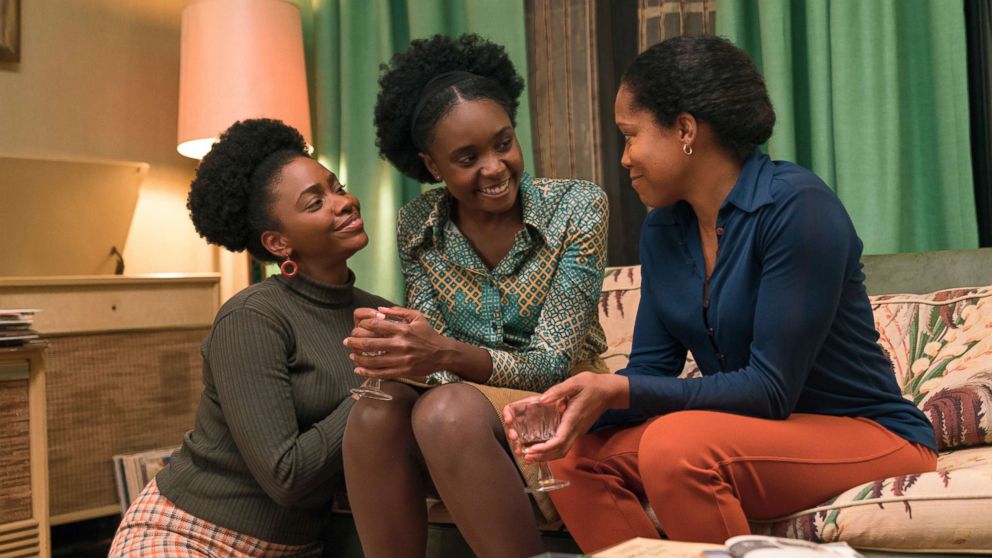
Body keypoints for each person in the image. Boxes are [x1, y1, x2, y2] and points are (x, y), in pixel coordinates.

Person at [505, 35, 938, 552]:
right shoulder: (663, 229)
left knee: (676, 446)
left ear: (685, 130)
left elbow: (770, 389)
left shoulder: (798, 207)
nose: (624, 159)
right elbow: (649, 372)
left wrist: (617, 392)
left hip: (867, 433)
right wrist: (568, 407)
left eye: (630, 135)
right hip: (752, 433)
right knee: (569, 455)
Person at [341, 34, 609, 558]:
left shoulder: (578, 206)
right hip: (461, 395)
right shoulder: (418, 223)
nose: (494, 168)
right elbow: (433, 356)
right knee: (375, 407)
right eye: (467, 158)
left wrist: (440, 353)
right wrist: (398, 351)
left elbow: (552, 364)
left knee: (445, 412)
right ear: (432, 165)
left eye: (503, 142)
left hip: (562, 395)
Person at [109, 119, 390, 557]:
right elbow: (287, 476)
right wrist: (376, 385)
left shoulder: (379, 314)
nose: (344, 203)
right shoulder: (251, 317)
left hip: (296, 549)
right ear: (278, 243)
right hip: (189, 536)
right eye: (316, 202)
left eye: (337, 188)